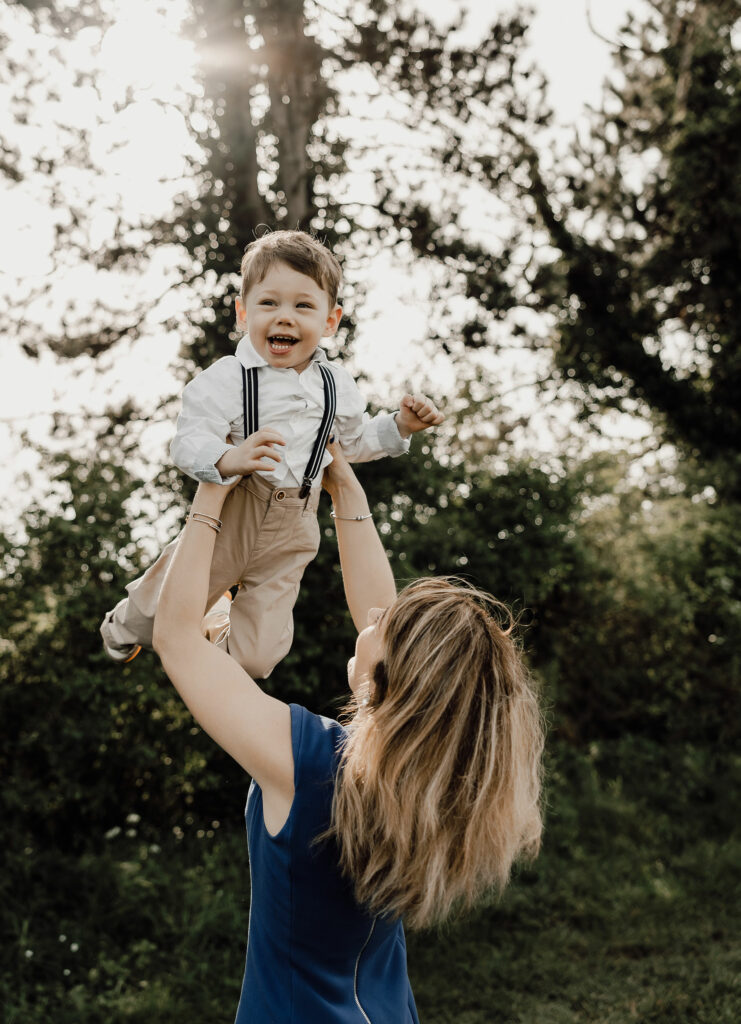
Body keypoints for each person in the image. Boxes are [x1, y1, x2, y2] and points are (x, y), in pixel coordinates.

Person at [152, 438, 545, 1024]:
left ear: (392, 678)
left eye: (386, 625)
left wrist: (214, 480)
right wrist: (346, 492)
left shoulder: (309, 762)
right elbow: (380, 625)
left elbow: (175, 639)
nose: (373, 617)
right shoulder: (432, 778)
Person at [100, 230, 443, 678]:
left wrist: (400, 427)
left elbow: (354, 441)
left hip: (295, 525)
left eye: (303, 306)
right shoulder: (227, 378)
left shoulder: (337, 384)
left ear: (330, 321)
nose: (285, 317)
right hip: (234, 513)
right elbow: (187, 441)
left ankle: (218, 621)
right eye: (269, 304)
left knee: (257, 660)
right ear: (243, 312)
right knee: (154, 619)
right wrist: (229, 458)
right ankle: (120, 625)